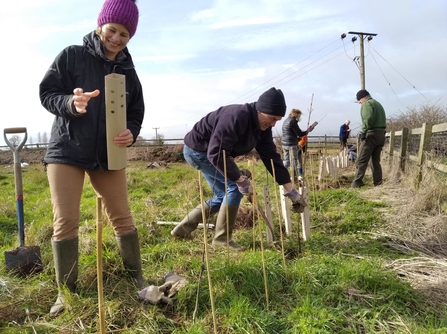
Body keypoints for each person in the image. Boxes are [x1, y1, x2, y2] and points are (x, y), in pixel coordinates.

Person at [39, 0, 146, 317]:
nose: (116, 38)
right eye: (112, 30)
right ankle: (67, 293)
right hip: (67, 149)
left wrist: (130, 132)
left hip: (108, 152)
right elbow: (47, 93)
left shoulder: (127, 68)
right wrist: (71, 102)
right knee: (66, 221)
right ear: (101, 25)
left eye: (124, 34)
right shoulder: (72, 54)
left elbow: (136, 111)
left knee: (123, 216)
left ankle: (135, 277)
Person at [170, 87, 307, 251]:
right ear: (260, 109)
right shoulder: (236, 117)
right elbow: (215, 153)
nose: (273, 124)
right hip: (199, 152)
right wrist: (239, 179)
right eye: (271, 118)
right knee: (234, 188)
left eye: (277, 120)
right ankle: (222, 240)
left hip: (214, 154)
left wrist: (291, 190)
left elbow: (272, 158)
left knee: (224, 196)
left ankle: (182, 230)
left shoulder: (262, 128)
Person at [351, 90, 387, 188]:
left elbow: (368, 118)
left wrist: (363, 131)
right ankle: (378, 183)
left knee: (361, 159)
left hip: (371, 135)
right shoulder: (378, 104)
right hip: (381, 135)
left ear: (364, 97)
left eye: (359, 100)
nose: (359, 102)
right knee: (375, 162)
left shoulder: (367, 104)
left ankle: (356, 183)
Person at [281, 109, 313, 177]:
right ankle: (294, 177)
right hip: (291, 144)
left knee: (286, 161)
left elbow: (289, 133)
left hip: (284, 143)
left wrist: (297, 138)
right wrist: (307, 131)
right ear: (296, 114)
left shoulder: (286, 120)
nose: (299, 117)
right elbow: (299, 133)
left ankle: (281, 173)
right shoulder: (293, 121)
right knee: (294, 161)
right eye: (299, 115)